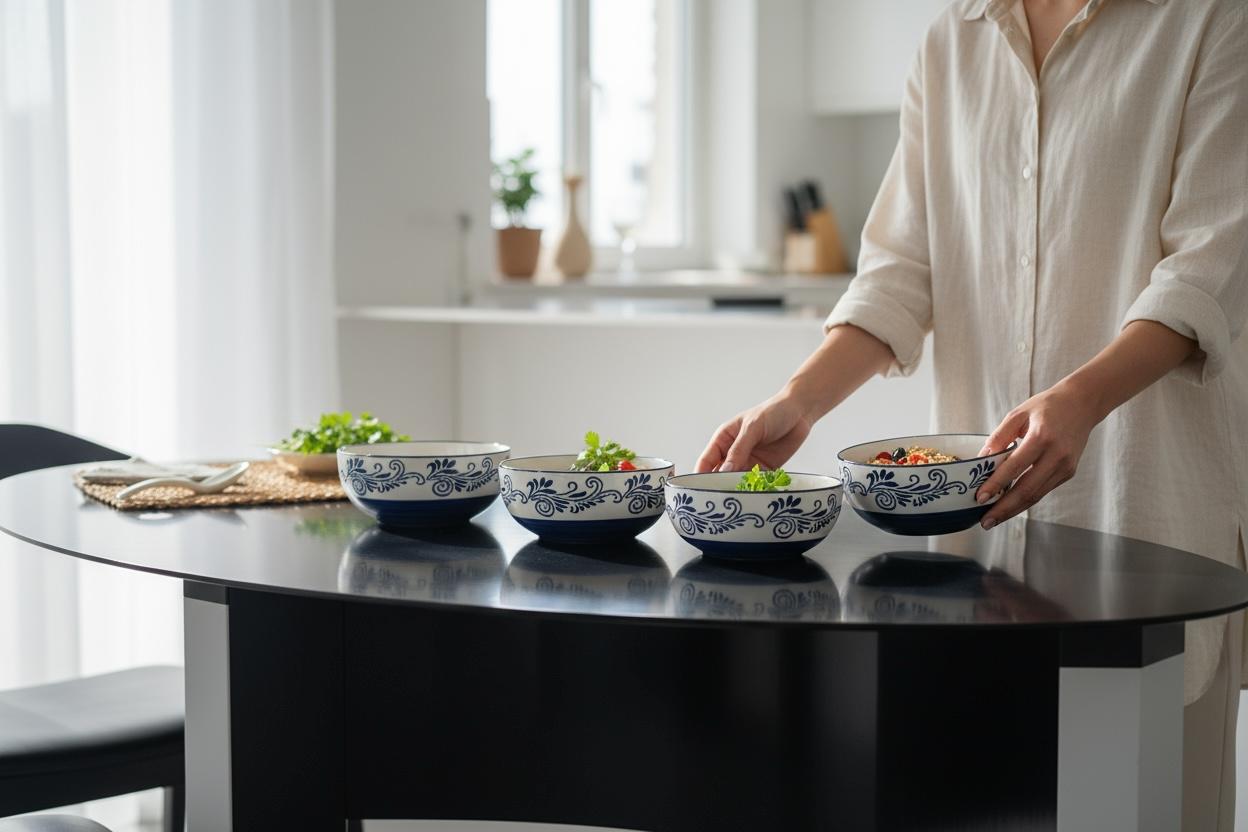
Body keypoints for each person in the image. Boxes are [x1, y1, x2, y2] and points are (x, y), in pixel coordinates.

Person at [696, 0, 1247, 827]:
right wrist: (796, 400)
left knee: (1145, 807)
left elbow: (1207, 268)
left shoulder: (1210, 20)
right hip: (972, 556)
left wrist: (1079, 399)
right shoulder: (952, 40)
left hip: (1146, 526)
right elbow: (900, 271)